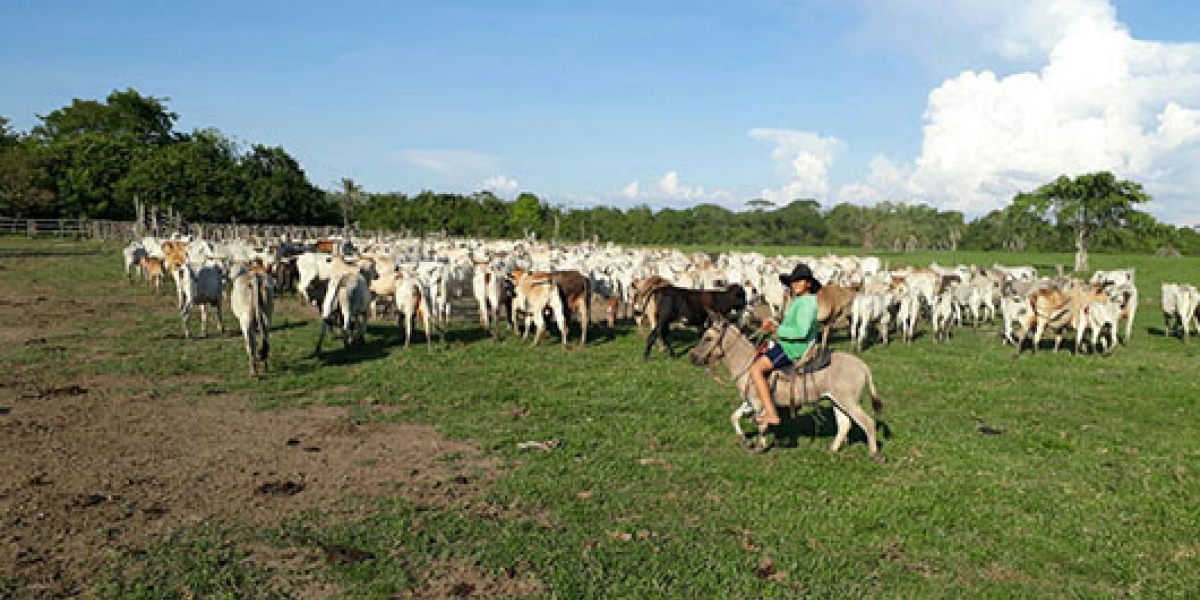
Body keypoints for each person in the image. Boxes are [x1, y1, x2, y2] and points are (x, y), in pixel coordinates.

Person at [751, 264, 822, 425]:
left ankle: (771, 413)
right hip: (789, 344)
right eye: (793, 281)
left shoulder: (806, 303)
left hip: (793, 348)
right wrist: (774, 324)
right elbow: (792, 324)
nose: (795, 284)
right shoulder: (803, 301)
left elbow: (801, 331)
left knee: (756, 369)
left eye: (800, 281)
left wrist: (777, 329)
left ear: (808, 284)